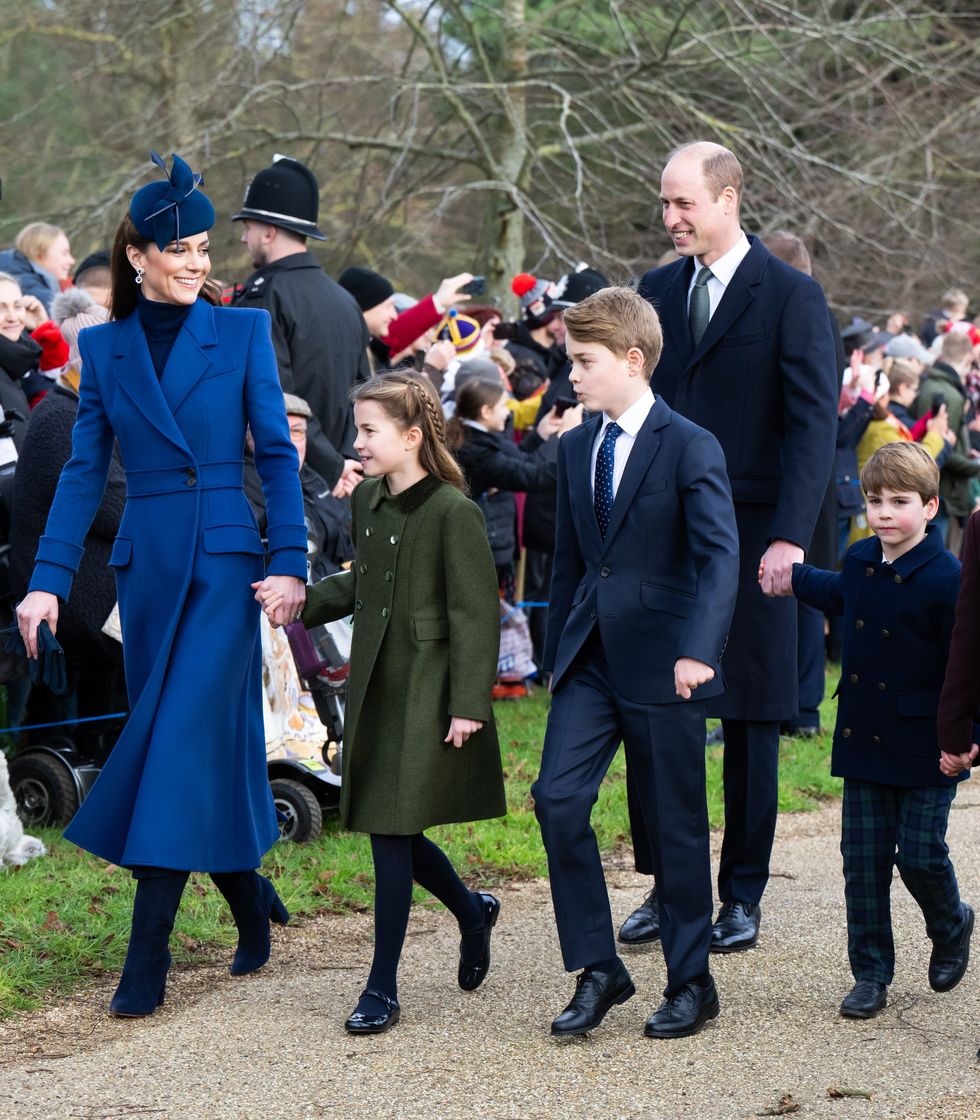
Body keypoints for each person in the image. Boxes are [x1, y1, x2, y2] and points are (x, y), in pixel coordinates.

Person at [15, 152, 308, 1018]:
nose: (196, 263)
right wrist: (45, 583)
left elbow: (279, 460)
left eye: (206, 249)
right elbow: (79, 476)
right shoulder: (101, 349)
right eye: (179, 250)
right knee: (193, 755)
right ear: (138, 256)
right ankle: (250, 900)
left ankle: (146, 957)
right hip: (146, 578)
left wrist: (289, 562)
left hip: (225, 572)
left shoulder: (243, 333)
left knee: (172, 744)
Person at [624, 141, 838, 954]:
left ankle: (740, 893)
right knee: (653, 709)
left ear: (728, 198)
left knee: (749, 718)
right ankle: (665, 884)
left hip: (755, 539)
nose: (670, 219)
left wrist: (790, 537)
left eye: (683, 204)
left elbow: (813, 426)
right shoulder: (651, 292)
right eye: (665, 204)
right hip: (662, 532)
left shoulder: (790, 297)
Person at [260, 372, 504, 1035]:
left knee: (391, 834)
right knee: (391, 823)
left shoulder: (455, 511)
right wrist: (300, 603)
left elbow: (476, 616)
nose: (357, 443)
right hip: (376, 681)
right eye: (358, 429)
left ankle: (382, 986)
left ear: (412, 437)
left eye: (369, 431)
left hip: (429, 691)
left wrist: (467, 704)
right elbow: (363, 583)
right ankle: (471, 910)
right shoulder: (367, 499)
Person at [531, 287, 739, 1039]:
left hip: (666, 660)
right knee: (556, 800)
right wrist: (558, 655)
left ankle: (692, 981)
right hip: (589, 656)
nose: (572, 376)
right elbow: (568, 565)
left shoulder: (690, 444)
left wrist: (698, 652)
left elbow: (721, 560)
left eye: (583, 362)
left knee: (676, 823)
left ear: (631, 359)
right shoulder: (575, 446)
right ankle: (599, 968)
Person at [764, 442, 972, 1018]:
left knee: (922, 856)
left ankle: (953, 923)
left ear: (930, 507)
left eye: (899, 502)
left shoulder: (949, 576)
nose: (883, 512)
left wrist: (970, 734)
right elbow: (838, 592)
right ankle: (871, 973)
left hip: (928, 743)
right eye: (874, 500)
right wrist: (790, 576)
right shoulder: (860, 559)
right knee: (863, 862)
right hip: (864, 737)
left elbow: (970, 658)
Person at [9, 288, 126, 748]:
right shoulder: (62, 418)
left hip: (89, 570)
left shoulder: (86, 410)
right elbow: (112, 507)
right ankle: (103, 744)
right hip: (66, 583)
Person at [232, 155, 369, 496]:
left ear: (268, 232)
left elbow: (275, 395)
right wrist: (349, 463)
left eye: (248, 227)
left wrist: (333, 467)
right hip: (348, 480)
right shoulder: (344, 299)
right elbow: (365, 392)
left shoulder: (263, 296)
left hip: (291, 480)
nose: (243, 239)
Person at [446, 376, 573, 584]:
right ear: (486, 412)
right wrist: (565, 438)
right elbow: (535, 477)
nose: (508, 412)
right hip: (480, 546)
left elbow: (518, 460)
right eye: (503, 406)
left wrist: (540, 434)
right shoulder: (479, 453)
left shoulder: (469, 434)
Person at [244, 392, 354, 581]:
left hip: (331, 590)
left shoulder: (312, 478)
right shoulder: (243, 483)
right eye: (278, 431)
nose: (289, 442)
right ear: (249, 437)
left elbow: (346, 539)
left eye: (297, 431)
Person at [911, 331, 980, 551]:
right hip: (943, 489)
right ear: (969, 358)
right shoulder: (949, 393)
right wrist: (972, 467)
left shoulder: (933, 383)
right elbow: (941, 445)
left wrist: (964, 452)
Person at [0, 222, 75, 313]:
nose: (72, 261)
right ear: (39, 253)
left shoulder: (19, 271)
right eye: (64, 253)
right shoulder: (26, 283)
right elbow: (67, 320)